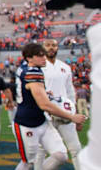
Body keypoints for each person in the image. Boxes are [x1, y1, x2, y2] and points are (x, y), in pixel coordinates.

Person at [12, 43, 86, 170]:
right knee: (28, 163)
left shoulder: (27, 68)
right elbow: (44, 104)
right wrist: (71, 117)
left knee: (60, 155)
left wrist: (43, 93)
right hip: (27, 124)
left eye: (44, 55)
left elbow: (30, 91)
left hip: (41, 120)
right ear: (29, 58)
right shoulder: (32, 73)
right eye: (40, 56)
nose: (44, 58)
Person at [36, 39, 83, 169]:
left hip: (65, 113)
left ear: (58, 48)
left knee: (75, 148)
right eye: (48, 45)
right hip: (45, 114)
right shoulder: (36, 68)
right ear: (43, 48)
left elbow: (70, 92)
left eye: (54, 45)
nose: (51, 48)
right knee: (41, 150)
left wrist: (75, 115)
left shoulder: (65, 67)